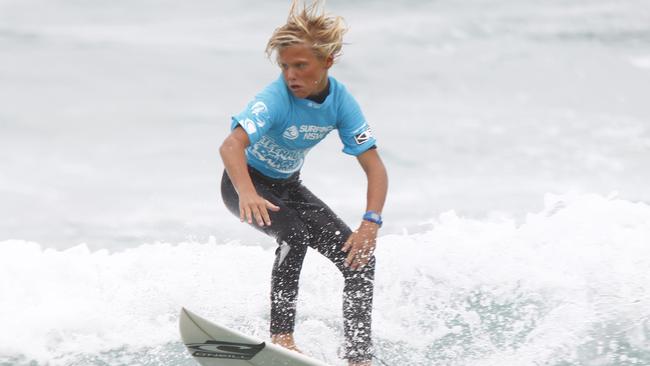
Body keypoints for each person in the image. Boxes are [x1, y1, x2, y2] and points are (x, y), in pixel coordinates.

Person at [219, 1, 388, 365]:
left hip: (287, 186)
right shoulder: (274, 99)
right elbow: (231, 145)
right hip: (243, 185)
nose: (291, 75)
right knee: (293, 235)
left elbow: (375, 168)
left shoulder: (341, 103)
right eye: (284, 66)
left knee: (359, 259)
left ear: (326, 62)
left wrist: (370, 223)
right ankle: (282, 338)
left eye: (300, 65)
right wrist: (247, 193)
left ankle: (359, 356)